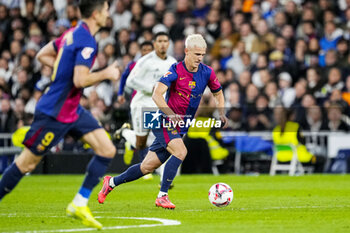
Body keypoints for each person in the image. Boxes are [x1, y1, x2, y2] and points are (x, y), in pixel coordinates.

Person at [0, 0, 120, 229]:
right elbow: (80, 80)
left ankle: (79, 203)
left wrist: (65, 65)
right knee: (25, 164)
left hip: (72, 109)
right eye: (105, 10)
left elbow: (43, 54)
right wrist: (107, 72)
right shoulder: (86, 39)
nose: (108, 13)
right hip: (55, 111)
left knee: (107, 149)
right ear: (96, 14)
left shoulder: (71, 34)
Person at [98, 34, 228, 209]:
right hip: (162, 120)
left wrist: (221, 111)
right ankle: (162, 196)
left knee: (146, 167)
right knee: (181, 151)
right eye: (197, 54)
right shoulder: (174, 70)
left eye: (202, 54)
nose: (200, 58)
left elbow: (218, 92)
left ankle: (111, 182)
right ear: (187, 51)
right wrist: (170, 113)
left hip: (181, 125)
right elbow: (156, 94)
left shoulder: (207, 72)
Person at [115, 32, 177, 179]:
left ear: (169, 44)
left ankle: (161, 174)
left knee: (161, 139)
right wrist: (151, 87)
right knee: (141, 142)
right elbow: (130, 81)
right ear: (155, 43)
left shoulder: (173, 62)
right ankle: (125, 133)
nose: (162, 44)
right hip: (142, 103)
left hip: (159, 105)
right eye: (159, 41)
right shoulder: (145, 61)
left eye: (165, 41)